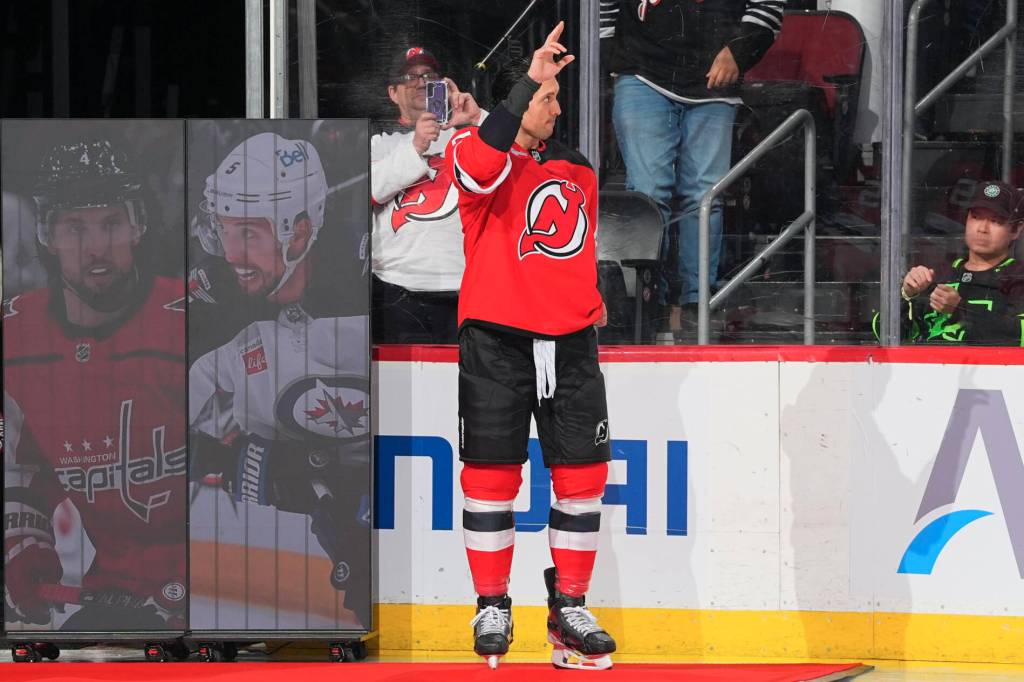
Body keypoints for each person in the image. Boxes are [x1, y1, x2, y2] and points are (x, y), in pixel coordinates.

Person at [446, 22, 615, 670]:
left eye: (556, 96)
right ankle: (492, 602)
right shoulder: (474, 151)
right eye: (550, 97)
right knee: (490, 474)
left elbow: (580, 247)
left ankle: (569, 605)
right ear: (521, 98)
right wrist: (526, 83)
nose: (559, 107)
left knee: (583, 475)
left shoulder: (576, 166)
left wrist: (580, 310)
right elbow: (483, 162)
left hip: (571, 342)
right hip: (496, 339)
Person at [187, 130, 371, 628]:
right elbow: (159, 431)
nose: (230, 252)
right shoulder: (212, 305)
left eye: (249, 232)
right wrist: (233, 459)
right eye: (223, 230)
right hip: (289, 526)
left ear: (299, 232)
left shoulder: (364, 281)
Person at [3, 139, 187, 631]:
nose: (96, 246)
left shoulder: (195, 317)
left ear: (138, 226)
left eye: (111, 223)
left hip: (215, 585)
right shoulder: (16, 336)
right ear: (47, 234)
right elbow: (19, 468)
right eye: (75, 227)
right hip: (116, 589)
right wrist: (23, 541)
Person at [602, 0, 784, 338]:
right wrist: (613, 55)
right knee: (648, 195)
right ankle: (645, 302)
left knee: (704, 198)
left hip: (714, 81)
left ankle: (695, 306)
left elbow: (769, 6)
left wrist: (738, 51)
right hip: (642, 75)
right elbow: (602, 8)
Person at [371, 47, 486, 343]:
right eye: (410, 76)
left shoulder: (467, 135)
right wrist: (416, 146)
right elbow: (368, 192)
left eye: (429, 75)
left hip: (470, 289)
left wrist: (478, 120)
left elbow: (519, 164)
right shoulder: (378, 144)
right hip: (398, 290)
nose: (421, 82)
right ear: (393, 93)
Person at [875, 180, 1024, 346]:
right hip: (925, 369)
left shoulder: (1018, 276)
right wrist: (906, 295)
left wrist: (960, 310)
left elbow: (1019, 336)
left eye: (996, 221)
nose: (982, 228)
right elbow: (882, 335)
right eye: (975, 217)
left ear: (1016, 230)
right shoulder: (937, 273)